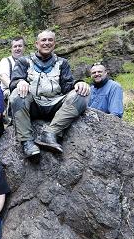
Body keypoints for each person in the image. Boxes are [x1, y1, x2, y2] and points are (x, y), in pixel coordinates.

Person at [9, 30, 90, 158]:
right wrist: (20, 82)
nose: (47, 43)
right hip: (33, 105)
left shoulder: (62, 63)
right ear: (36, 44)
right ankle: (27, 142)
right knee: (16, 94)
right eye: (43, 40)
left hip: (55, 104)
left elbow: (67, 86)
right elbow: (13, 82)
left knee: (82, 94)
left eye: (50, 40)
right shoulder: (23, 61)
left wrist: (79, 83)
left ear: (54, 43)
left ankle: (50, 133)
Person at [0, 36, 25, 124]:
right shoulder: (6, 61)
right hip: (8, 90)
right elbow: (3, 76)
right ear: (11, 48)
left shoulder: (28, 61)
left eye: (20, 46)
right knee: (15, 94)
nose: (17, 48)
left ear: (24, 47)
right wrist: (16, 86)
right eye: (15, 46)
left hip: (26, 89)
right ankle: (11, 119)